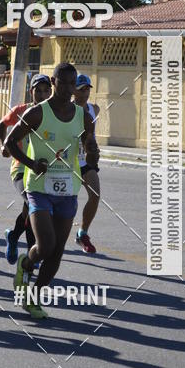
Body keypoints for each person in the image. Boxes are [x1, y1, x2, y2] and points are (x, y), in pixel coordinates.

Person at [5, 63, 98, 319]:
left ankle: (33, 298)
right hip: (39, 187)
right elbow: (10, 142)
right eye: (63, 82)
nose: (68, 88)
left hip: (68, 189)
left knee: (57, 253)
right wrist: (32, 164)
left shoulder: (83, 116)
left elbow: (90, 144)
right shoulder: (37, 113)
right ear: (54, 82)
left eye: (72, 83)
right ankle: (26, 264)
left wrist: (93, 151)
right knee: (45, 245)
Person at [0, 74, 52, 264]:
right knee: (32, 204)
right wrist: (2, 146)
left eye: (46, 90)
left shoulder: (54, 112)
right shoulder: (22, 111)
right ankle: (31, 251)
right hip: (20, 167)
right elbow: (2, 125)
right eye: (38, 90)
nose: (43, 94)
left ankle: (13, 236)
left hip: (43, 170)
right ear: (31, 92)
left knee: (29, 209)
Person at [73, 74, 100, 254]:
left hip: (87, 161)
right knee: (68, 203)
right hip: (70, 163)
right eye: (80, 89)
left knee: (95, 195)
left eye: (87, 89)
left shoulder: (94, 109)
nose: (84, 93)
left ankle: (83, 233)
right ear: (73, 90)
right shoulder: (66, 110)